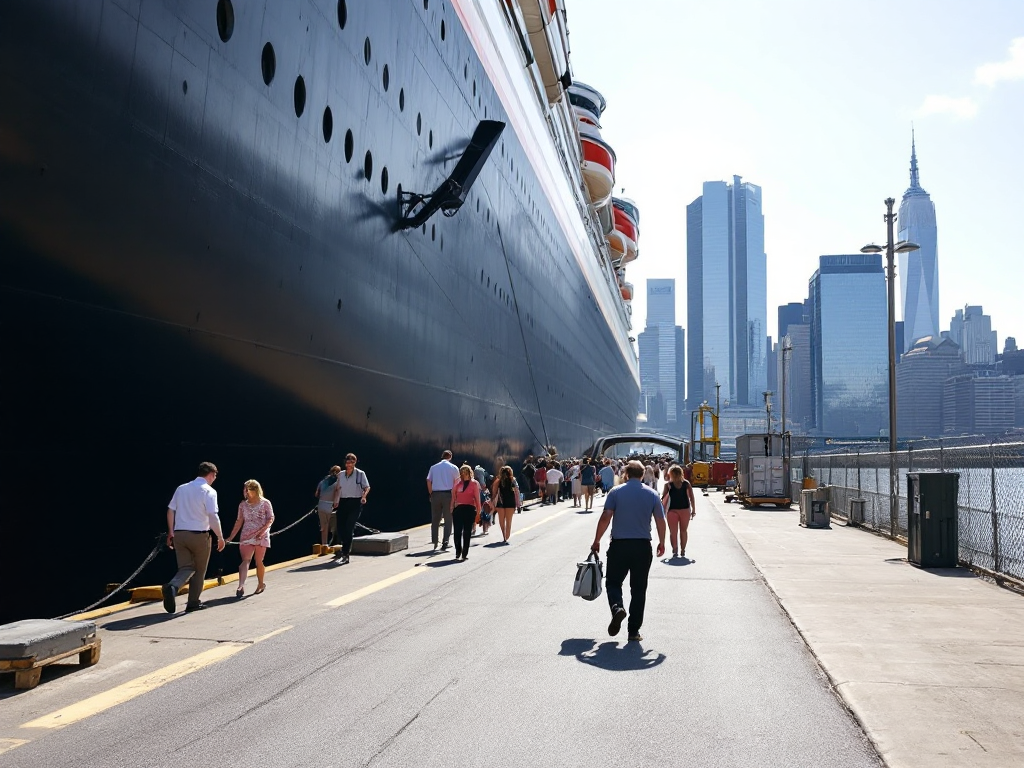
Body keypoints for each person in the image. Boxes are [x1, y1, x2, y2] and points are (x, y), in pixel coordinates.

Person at [590, 460, 666, 642]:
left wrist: (597, 540)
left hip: (620, 545)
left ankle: (617, 607)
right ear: (642, 475)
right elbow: (660, 520)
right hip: (642, 546)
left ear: (625, 474)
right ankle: (633, 631)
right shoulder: (652, 494)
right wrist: (662, 542)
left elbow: (606, 517)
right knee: (639, 589)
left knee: (613, 583)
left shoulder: (616, 492)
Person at [162, 461, 226, 614]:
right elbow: (212, 516)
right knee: (199, 570)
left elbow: (170, 510)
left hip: (180, 535)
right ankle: (193, 603)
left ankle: (173, 585)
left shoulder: (181, 488)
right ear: (211, 474)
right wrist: (220, 537)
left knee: (185, 568)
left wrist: (171, 531)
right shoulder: (209, 491)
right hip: (199, 536)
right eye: (215, 476)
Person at [227, 479, 275, 596]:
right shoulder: (243, 505)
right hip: (247, 535)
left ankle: (260, 584)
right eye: (244, 490)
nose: (245, 492)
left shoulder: (265, 503)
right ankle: (241, 586)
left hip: (261, 535)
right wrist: (230, 537)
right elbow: (239, 521)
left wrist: (262, 531)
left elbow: (270, 518)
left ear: (255, 490)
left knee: (259, 561)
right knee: (246, 560)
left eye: (248, 490)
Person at [332, 453, 370, 564]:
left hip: (355, 502)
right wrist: (336, 501)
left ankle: (345, 554)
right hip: (343, 502)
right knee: (340, 528)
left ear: (355, 463)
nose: (349, 465)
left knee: (349, 527)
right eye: (348, 462)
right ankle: (344, 548)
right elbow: (338, 489)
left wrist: (363, 497)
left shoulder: (360, 474)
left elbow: (367, 487)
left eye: (351, 463)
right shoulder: (341, 475)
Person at [426, 450, 460, 550]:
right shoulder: (454, 468)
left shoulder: (433, 467)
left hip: (435, 494)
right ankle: (445, 542)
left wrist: (431, 493)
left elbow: (428, 480)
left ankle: (435, 541)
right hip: (448, 495)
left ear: (442, 456)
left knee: (435, 518)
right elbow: (457, 483)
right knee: (448, 519)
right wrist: (455, 497)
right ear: (450, 457)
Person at [661, 465, 697, 558]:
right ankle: (683, 550)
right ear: (681, 473)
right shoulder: (686, 484)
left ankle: (675, 549)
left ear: (671, 474)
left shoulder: (668, 485)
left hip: (672, 511)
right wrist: (693, 510)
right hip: (685, 510)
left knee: (673, 532)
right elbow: (691, 497)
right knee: (684, 531)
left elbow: (663, 499)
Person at [450, 465, 481, 561]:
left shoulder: (474, 484)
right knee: (457, 531)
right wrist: (451, 507)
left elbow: (477, 498)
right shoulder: (457, 483)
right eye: (462, 472)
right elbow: (453, 496)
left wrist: (478, 511)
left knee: (467, 531)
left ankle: (465, 552)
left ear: (469, 473)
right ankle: (458, 550)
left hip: (470, 508)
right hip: (458, 508)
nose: (464, 475)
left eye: (465, 473)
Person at [314, 465, 341, 548]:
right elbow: (337, 493)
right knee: (332, 525)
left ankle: (324, 544)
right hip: (330, 505)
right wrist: (336, 502)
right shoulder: (338, 482)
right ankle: (335, 542)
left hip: (321, 504)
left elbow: (316, 494)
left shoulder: (322, 481)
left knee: (323, 526)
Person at [491, 465, 520, 543]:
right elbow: (517, 491)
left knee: (501, 520)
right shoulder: (513, 480)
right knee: (508, 521)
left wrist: (492, 502)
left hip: (500, 503)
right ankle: (507, 536)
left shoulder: (497, 481)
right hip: (510, 502)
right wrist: (518, 504)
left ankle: (504, 536)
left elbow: (494, 493)